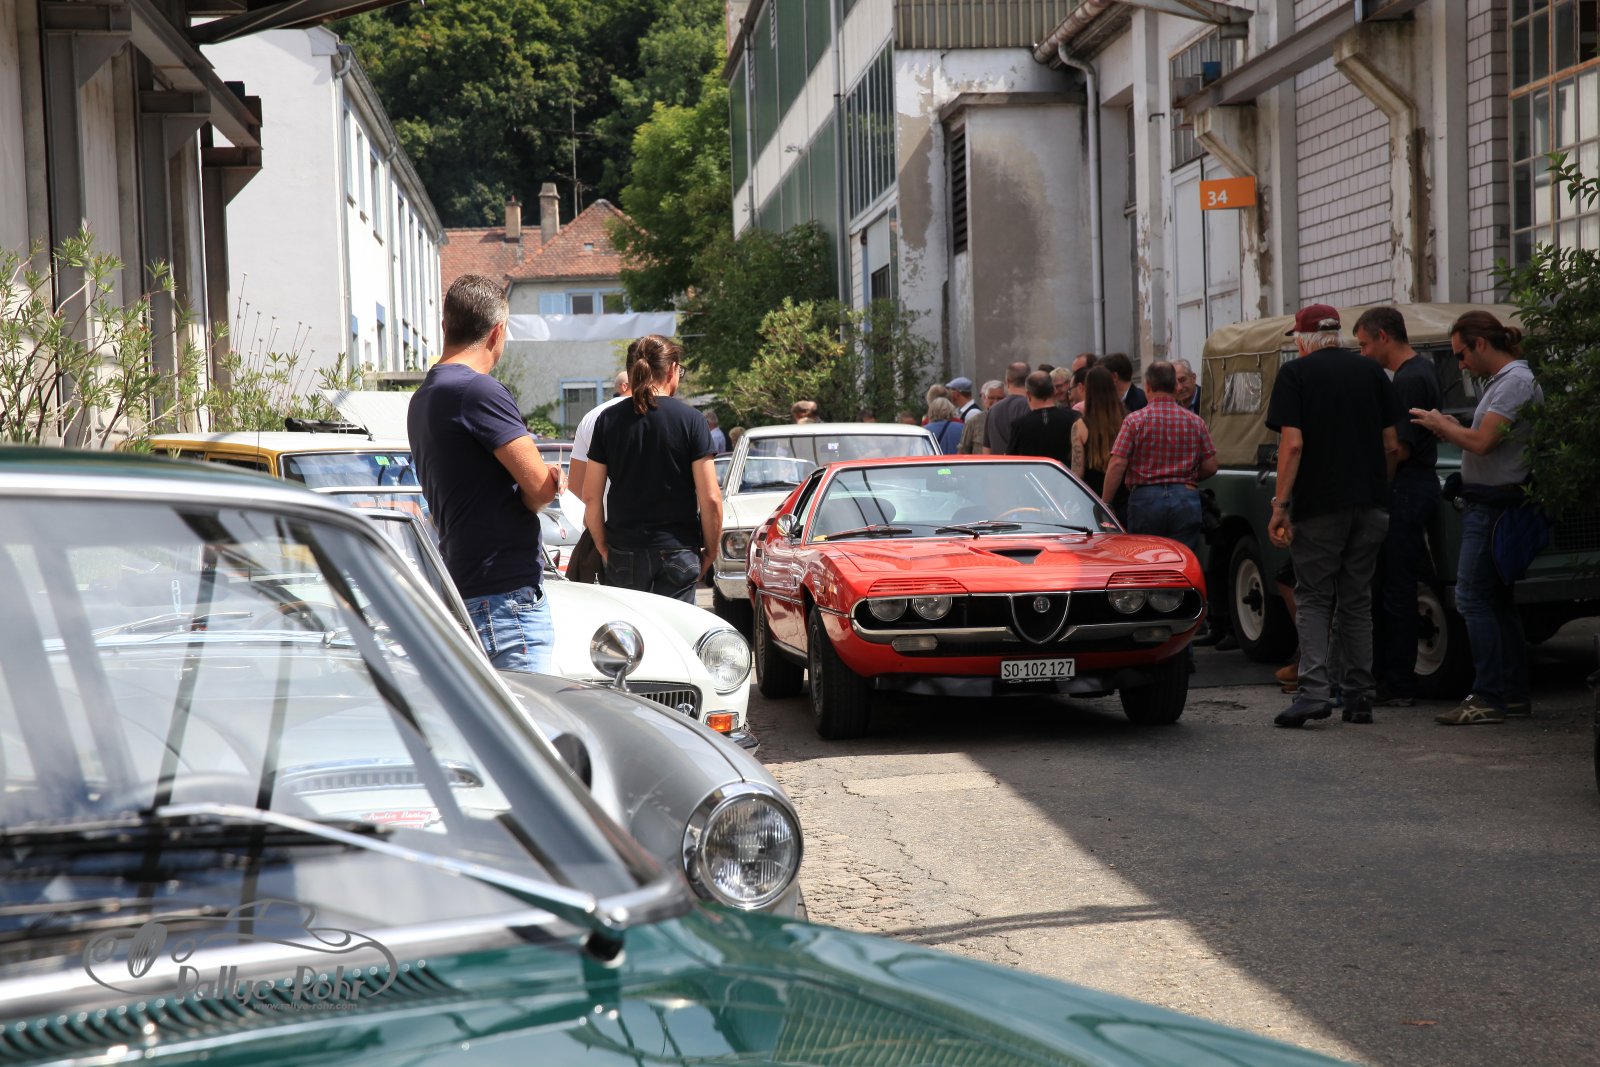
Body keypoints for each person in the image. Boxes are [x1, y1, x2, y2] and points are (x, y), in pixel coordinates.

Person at [408, 274, 560, 672]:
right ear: (497, 332)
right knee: (527, 711)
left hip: (466, 587)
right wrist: (548, 480)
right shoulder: (479, 391)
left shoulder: (422, 398)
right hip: (505, 599)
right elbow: (540, 488)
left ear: (445, 326)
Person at [1265, 304, 1402, 728]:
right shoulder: (1371, 372)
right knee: (1356, 600)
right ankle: (1359, 695)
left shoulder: (1295, 374)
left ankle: (1313, 693)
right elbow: (1391, 445)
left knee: (1313, 597)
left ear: (1303, 339)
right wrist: (1377, 489)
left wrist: (1280, 506)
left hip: (1320, 506)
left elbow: (1292, 445)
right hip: (1370, 504)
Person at [1412, 312, 1542, 725]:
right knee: (1496, 601)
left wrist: (1443, 425)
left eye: (1461, 354)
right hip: (1491, 503)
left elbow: (1484, 442)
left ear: (1481, 344)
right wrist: (1453, 426)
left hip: (1493, 507)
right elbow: (1486, 437)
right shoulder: (1505, 382)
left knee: (1472, 598)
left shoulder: (1514, 383)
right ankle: (1511, 694)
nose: (1461, 364)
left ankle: (1488, 695)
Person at [582, 335, 722, 603]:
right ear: (672, 370)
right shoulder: (691, 420)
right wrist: (711, 551)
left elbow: (591, 496)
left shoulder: (608, 420)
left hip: (624, 549)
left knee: (631, 628)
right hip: (678, 549)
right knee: (675, 628)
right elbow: (711, 498)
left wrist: (602, 546)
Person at [1354, 306, 1441, 708]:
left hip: (1406, 487)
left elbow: (1400, 448)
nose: (1363, 353)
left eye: (1364, 344)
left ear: (1383, 337)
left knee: (1396, 588)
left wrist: (1376, 479)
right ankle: (1395, 677)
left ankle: (1398, 681)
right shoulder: (1421, 370)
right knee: (1396, 584)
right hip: (1417, 485)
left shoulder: (1407, 380)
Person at [1100, 360, 1216, 554]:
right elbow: (1211, 465)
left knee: (1146, 558)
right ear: (1175, 386)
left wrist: (1106, 502)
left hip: (1145, 500)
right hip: (1184, 498)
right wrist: (1186, 479)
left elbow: (1117, 463)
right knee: (1182, 559)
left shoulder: (1134, 421)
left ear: (1148, 386)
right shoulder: (1195, 421)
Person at [567, 368, 633, 584]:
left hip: (602, 532)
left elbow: (576, 487)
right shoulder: (659, 412)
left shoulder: (592, 417)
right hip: (653, 538)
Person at [1070, 366, 1125, 506]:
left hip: (1092, 499)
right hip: (1123, 495)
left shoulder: (1080, 426)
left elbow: (1077, 472)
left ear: (1088, 390)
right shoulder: (1128, 419)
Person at [1006, 371, 1077, 466]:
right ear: (1054, 390)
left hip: (1032, 475)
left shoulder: (1019, 425)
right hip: (1066, 474)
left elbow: (1010, 460)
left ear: (1028, 394)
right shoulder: (1074, 417)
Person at [984, 361, 1031, 453]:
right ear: (1029, 380)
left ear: (1007, 381)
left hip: (999, 462)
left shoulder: (993, 410)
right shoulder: (1031, 407)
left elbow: (986, 450)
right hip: (1025, 461)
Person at [958, 379, 1003, 454]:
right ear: (984, 399)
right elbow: (963, 451)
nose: (996, 402)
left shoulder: (1012, 420)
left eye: (999, 398)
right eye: (991, 398)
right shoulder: (974, 422)